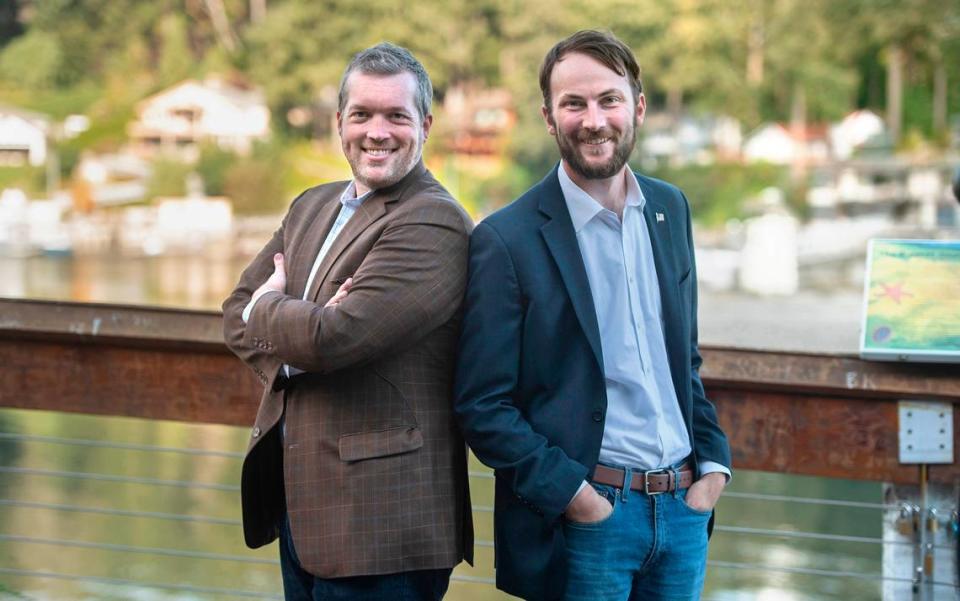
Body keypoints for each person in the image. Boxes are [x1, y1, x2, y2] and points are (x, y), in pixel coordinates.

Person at [454, 30, 731, 601]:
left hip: (683, 511)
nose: (593, 119)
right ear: (549, 118)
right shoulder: (506, 240)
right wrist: (577, 498)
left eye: (609, 99)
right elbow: (482, 406)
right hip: (586, 522)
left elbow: (684, 359)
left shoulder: (670, 209)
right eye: (573, 103)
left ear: (639, 107)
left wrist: (713, 468)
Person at [223, 42, 473, 601]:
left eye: (396, 116)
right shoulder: (310, 206)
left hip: (384, 529)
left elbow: (333, 338)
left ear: (425, 125)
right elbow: (233, 317)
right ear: (339, 122)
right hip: (302, 508)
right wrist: (299, 331)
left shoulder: (434, 222)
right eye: (361, 114)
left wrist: (273, 309)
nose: (376, 131)